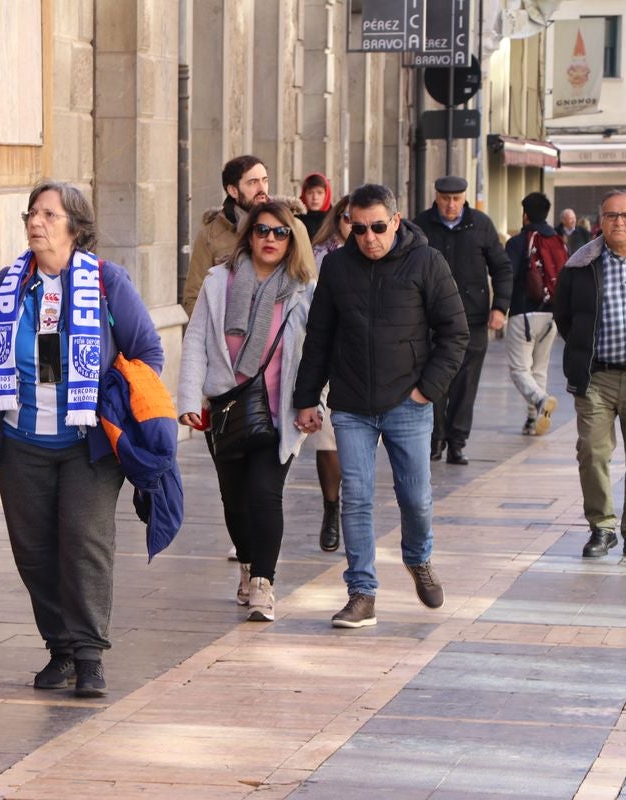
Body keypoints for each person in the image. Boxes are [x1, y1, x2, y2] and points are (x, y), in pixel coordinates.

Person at [0, 180, 163, 698]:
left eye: (48, 215)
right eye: (31, 214)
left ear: (75, 228)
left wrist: (117, 401)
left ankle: (89, 654)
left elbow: (148, 350)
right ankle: (59, 649)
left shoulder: (107, 281)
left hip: (88, 445)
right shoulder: (10, 284)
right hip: (21, 440)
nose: (36, 223)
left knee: (85, 543)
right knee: (34, 551)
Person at [294, 183, 468, 628]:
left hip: (408, 403)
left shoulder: (426, 261)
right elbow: (319, 337)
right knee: (356, 497)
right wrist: (306, 398)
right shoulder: (336, 267)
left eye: (377, 227)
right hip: (351, 404)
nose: (368, 237)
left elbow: (454, 333)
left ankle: (418, 558)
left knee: (416, 499)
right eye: (358, 228)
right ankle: (362, 592)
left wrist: (426, 389)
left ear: (394, 221)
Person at [178, 200, 316, 622]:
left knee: (264, 493)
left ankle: (263, 582)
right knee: (234, 501)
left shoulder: (301, 288)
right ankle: (247, 564)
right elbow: (197, 340)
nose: (270, 239)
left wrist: (315, 401)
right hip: (226, 409)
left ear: (292, 240)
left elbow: (317, 352)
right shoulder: (219, 282)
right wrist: (187, 399)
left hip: (280, 412)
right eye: (262, 231)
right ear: (249, 235)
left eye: (280, 232)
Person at [553, 189, 626, 560]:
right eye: (612, 215)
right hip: (596, 377)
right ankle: (602, 528)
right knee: (592, 452)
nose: (619, 222)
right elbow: (564, 317)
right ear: (600, 221)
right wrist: (584, 351)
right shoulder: (580, 264)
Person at [413, 175, 512, 466]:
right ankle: (435, 439)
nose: (451, 204)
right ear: (437, 197)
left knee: (466, 384)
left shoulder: (481, 224)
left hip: (473, 319)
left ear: (464, 198)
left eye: (456, 199)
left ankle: (457, 441)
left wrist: (500, 308)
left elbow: (502, 269)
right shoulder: (421, 224)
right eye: (446, 198)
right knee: (433, 379)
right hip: (429, 319)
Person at [307, 195, 352, 552]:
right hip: (324, 357)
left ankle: (353, 507)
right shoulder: (319, 256)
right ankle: (331, 507)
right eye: (349, 218)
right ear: (338, 219)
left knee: (357, 444)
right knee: (327, 439)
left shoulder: (385, 257)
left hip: (366, 364)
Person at [183, 155, 271, 316]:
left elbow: (307, 284)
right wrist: (217, 334)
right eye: (253, 182)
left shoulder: (289, 228)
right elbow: (194, 296)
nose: (262, 189)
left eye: (264, 180)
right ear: (233, 190)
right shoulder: (211, 235)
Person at [505, 192, 561, 436]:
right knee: (539, 367)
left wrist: (500, 306)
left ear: (525, 214)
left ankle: (540, 401)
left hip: (523, 312)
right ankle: (533, 421)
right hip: (552, 314)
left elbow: (509, 275)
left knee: (519, 369)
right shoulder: (558, 240)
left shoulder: (519, 241)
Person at [298, 172, 333, 239]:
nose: (315, 197)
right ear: (304, 195)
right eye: (310, 193)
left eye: (319, 193)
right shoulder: (296, 219)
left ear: (326, 195)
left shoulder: (335, 219)